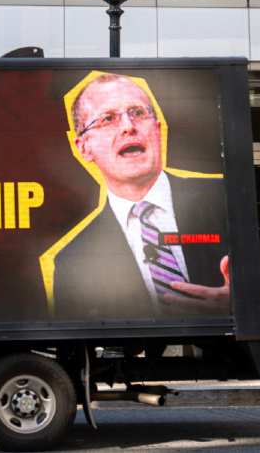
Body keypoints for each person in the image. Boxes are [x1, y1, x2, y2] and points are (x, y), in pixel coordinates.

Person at [45, 73, 232, 320]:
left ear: (157, 130)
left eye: (138, 112)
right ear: (84, 147)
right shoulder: (72, 261)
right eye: (107, 119)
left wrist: (239, 304)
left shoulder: (224, 198)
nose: (128, 126)